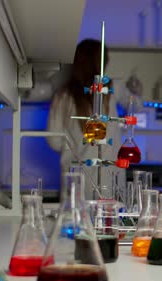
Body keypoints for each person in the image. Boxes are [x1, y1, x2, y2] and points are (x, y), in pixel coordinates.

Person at [47, 39, 122, 199]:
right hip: (109, 186)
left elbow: (54, 141)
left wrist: (72, 145)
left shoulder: (63, 96)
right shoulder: (112, 90)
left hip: (76, 185)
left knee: (75, 221)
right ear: (101, 63)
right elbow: (136, 103)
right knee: (108, 222)